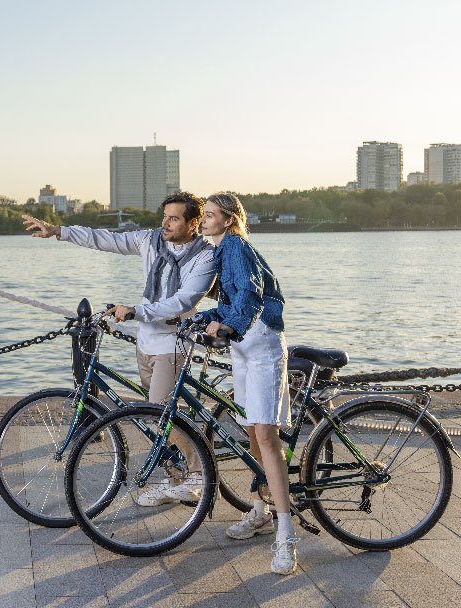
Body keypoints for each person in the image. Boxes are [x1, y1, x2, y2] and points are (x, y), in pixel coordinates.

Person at [22, 192, 217, 504]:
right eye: (164, 216)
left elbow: (184, 301)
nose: (165, 224)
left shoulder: (205, 257)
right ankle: (173, 476)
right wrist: (59, 231)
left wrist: (137, 311)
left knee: (159, 412)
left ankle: (198, 475)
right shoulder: (150, 241)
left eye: (174, 218)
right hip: (146, 341)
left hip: (173, 343)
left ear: (193, 223)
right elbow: (106, 239)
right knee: (156, 417)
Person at [195, 192, 297, 576]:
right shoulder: (223, 251)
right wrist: (198, 320)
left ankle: (286, 536)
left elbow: (251, 297)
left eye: (210, 215)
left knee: (266, 438)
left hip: (262, 346)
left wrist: (229, 327)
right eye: (203, 215)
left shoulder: (236, 246)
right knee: (252, 432)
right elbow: (231, 303)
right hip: (243, 347)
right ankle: (261, 510)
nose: (203, 220)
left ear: (228, 219)